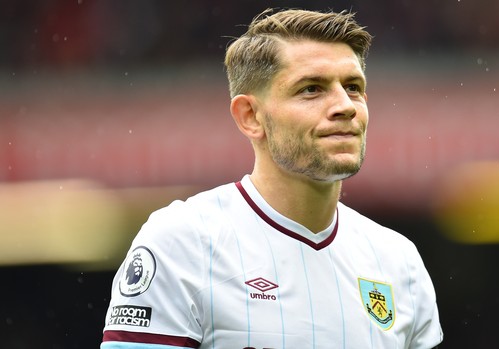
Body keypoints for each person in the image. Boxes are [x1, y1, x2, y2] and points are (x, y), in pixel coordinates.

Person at [101, 8, 443, 349]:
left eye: (353, 87)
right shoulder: (183, 244)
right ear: (250, 116)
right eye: (311, 89)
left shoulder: (401, 263)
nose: (345, 106)